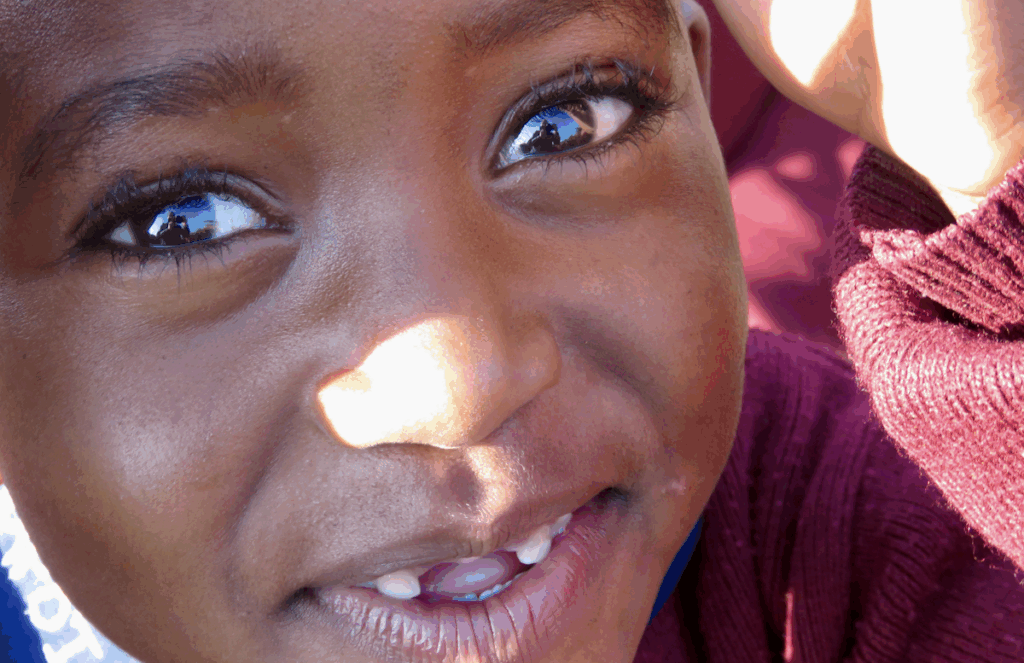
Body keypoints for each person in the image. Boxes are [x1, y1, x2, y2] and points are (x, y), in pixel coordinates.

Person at [0, 3, 1020, 663]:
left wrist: (996, 172)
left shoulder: (838, 528)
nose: (460, 383)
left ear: (700, 104)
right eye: (180, 220)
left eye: (566, 120)